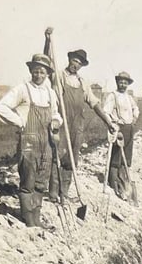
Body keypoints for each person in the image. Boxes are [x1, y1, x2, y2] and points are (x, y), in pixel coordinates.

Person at [42, 30, 117, 201]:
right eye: (74, 60)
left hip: (77, 126)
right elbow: (47, 61)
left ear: (82, 66)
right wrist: (47, 41)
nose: (76, 64)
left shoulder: (83, 83)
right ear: (69, 60)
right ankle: (53, 193)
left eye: (79, 63)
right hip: (60, 123)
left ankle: (64, 193)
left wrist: (108, 122)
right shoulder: (59, 76)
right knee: (57, 157)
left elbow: (95, 104)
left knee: (72, 158)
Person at [0, 53, 63, 226]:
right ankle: (28, 219)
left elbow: (56, 114)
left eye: (42, 72)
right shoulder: (22, 89)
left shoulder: (50, 92)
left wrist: (56, 122)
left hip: (47, 141)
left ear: (47, 73)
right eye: (35, 71)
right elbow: (0, 107)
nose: (38, 75)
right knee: (28, 180)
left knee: (41, 181)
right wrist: (20, 122)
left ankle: (36, 217)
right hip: (29, 140)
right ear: (31, 71)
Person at [103, 71, 140, 198]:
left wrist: (134, 119)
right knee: (116, 156)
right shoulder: (113, 96)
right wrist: (112, 124)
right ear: (117, 82)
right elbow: (105, 112)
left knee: (127, 157)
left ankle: (124, 181)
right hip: (118, 128)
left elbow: (136, 109)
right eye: (121, 81)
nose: (123, 84)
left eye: (125, 82)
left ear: (128, 84)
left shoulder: (129, 97)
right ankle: (113, 182)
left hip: (129, 128)